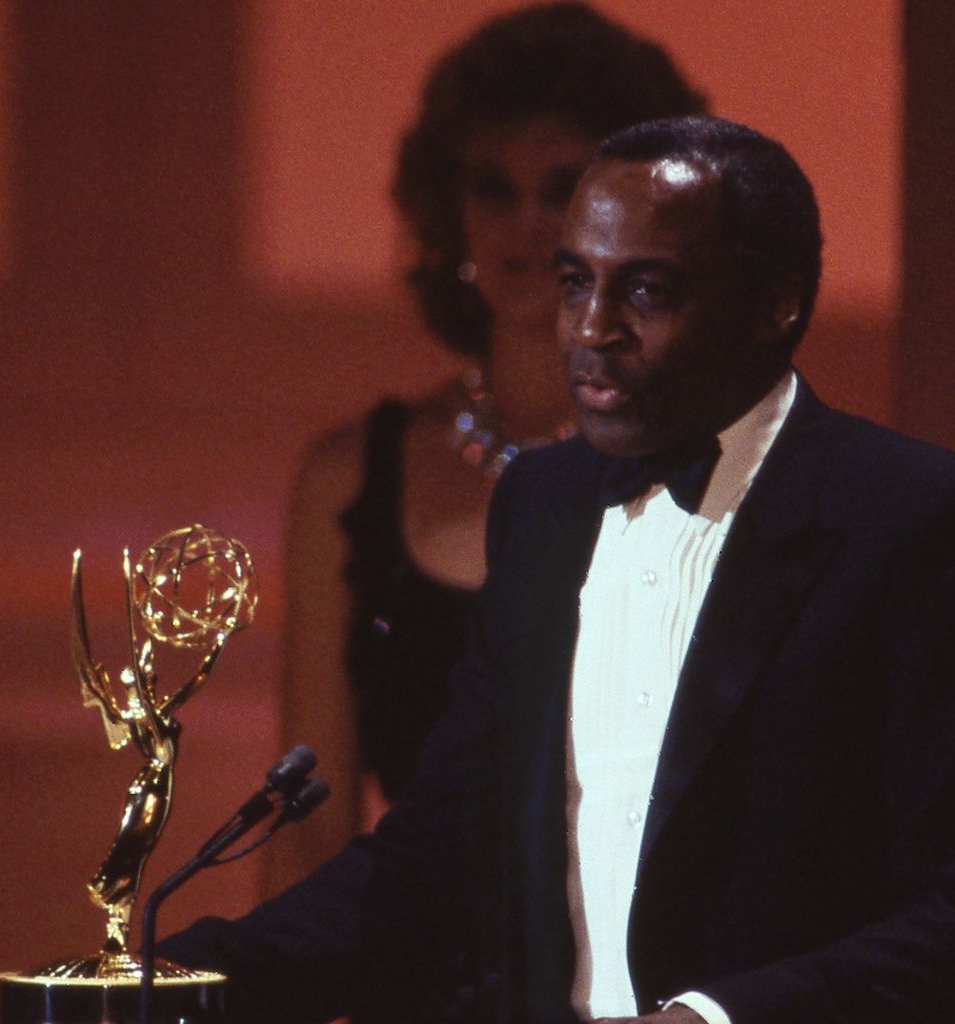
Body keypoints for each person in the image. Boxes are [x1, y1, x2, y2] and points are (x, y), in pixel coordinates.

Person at [163, 116, 955, 1024]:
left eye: (646, 290)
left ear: (777, 303)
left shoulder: (927, 523)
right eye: (574, 283)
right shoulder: (542, 508)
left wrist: (711, 1021)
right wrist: (168, 986)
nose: (591, 329)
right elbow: (440, 852)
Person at [268, 3, 706, 902]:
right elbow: (306, 841)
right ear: (448, 213)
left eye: (563, 188)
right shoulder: (350, 480)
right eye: (492, 188)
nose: (527, 224)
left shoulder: (708, 468)